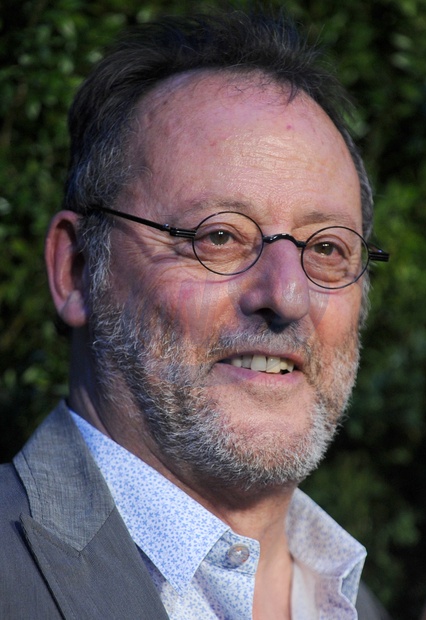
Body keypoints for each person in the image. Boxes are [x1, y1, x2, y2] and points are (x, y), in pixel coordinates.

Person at [0, 9, 391, 619]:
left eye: (326, 248)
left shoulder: (356, 605)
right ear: (76, 270)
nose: (287, 295)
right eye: (219, 237)